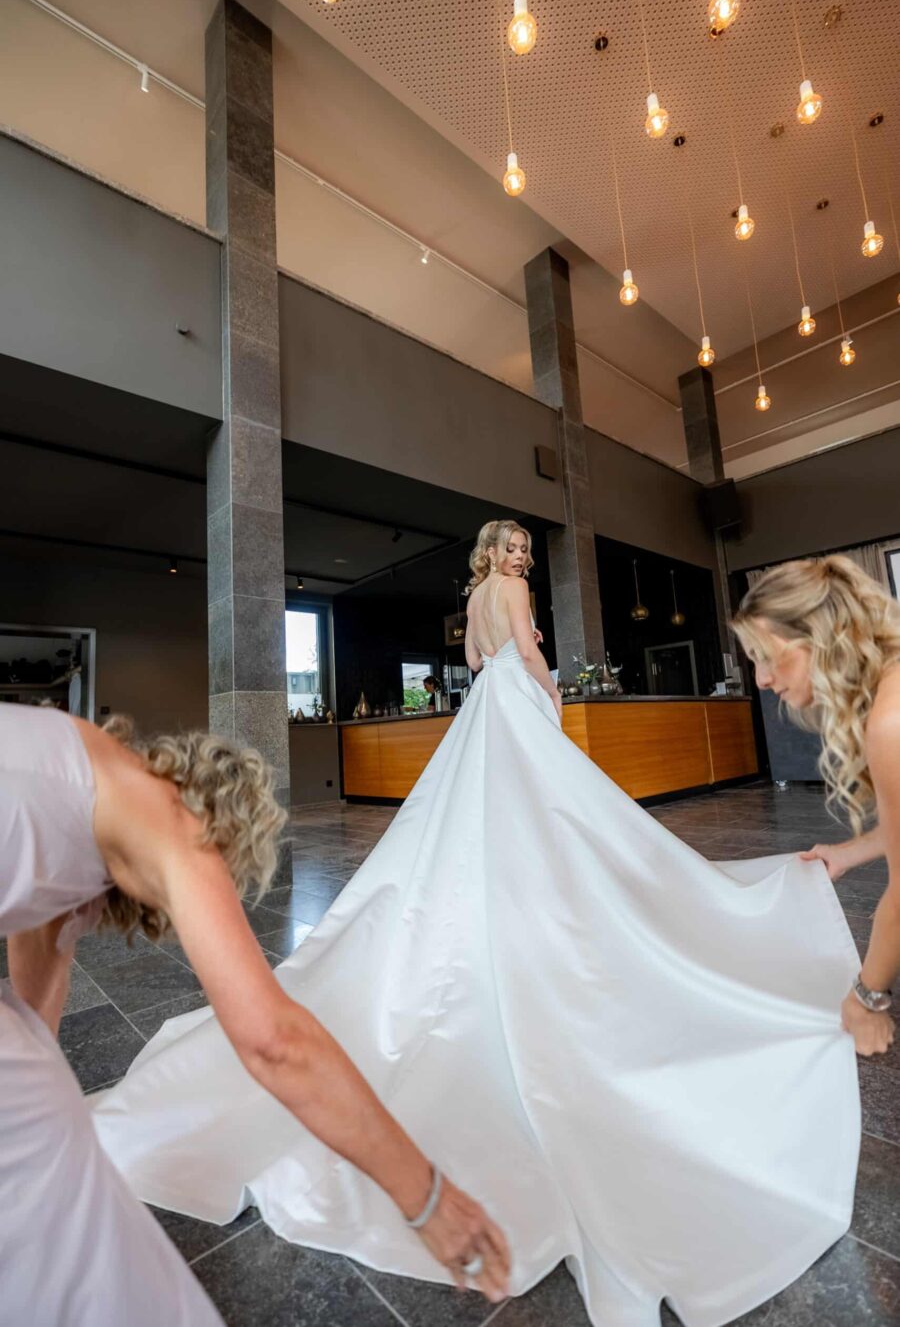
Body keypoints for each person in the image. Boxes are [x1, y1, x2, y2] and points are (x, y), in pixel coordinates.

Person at [94, 520, 859, 1327]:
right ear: (496, 555)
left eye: (526, 551)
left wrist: (510, 667)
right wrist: (551, 690)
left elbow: (470, 661)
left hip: (484, 708)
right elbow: (527, 654)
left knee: (479, 828)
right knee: (546, 821)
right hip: (519, 703)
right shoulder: (517, 595)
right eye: (514, 549)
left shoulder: (473, 599)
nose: (522, 559)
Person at [0, 703, 510, 1327]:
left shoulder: (78, 766)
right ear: (219, 820)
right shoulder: (172, 820)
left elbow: (37, 953)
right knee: (77, 1241)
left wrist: (40, 1104)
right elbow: (274, 1042)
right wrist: (426, 1198)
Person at [732, 553, 900, 1058]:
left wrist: (867, 996)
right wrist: (851, 852)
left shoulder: (889, 721)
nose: (761, 679)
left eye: (765, 655)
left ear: (817, 637)